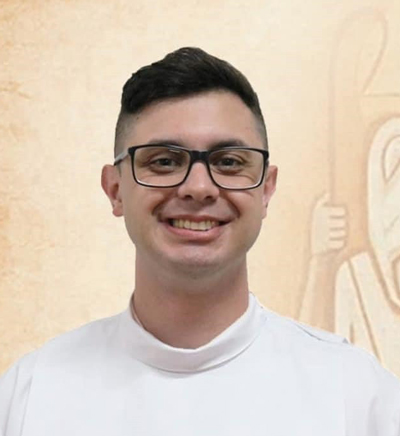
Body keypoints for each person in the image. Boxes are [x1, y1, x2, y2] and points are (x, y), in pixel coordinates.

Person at [0, 47, 399, 435]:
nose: (198, 188)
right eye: (164, 161)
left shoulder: (357, 397)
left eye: (228, 162)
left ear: (265, 190)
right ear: (115, 189)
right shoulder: (29, 397)